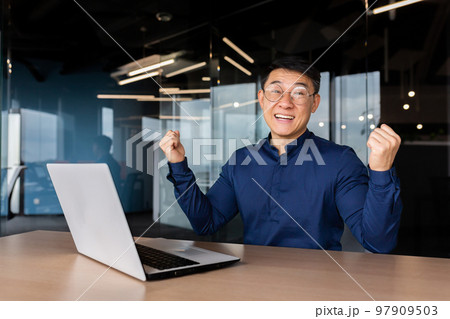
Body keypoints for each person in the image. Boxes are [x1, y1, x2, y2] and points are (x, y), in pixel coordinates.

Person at [159, 56, 402, 253]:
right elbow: (206, 222)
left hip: (319, 284)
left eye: (298, 93)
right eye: (276, 91)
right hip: (253, 282)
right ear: (262, 99)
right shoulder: (241, 161)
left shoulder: (340, 161)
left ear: (314, 103)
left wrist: (381, 171)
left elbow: (377, 242)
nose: (285, 103)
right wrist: (178, 164)